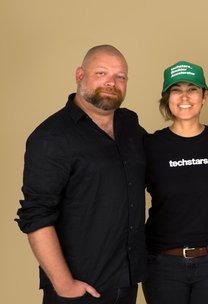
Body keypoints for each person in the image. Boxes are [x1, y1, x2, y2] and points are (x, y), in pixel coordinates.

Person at [16, 45, 146, 304]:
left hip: (126, 282)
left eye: (120, 77)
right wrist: (63, 283)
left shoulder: (130, 126)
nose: (111, 82)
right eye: (101, 73)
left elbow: (162, 161)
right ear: (79, 76)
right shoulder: (51, 137)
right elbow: (36, 216)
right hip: (79, 289)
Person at [142, 60, 208, 304]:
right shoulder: (150, 146)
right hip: (163, 265)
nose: (184, 96)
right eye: (177, 90)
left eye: (192, 89)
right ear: (167, 97)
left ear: (204, 95)